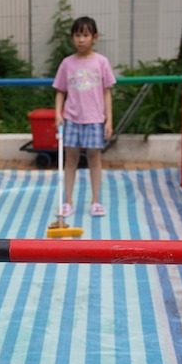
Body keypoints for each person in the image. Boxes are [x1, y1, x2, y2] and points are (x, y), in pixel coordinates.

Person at [53, 16, 115, 217]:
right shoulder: (67, 63)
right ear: (72, 38)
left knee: (94, 160)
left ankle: (96, 201)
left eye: (85, 35)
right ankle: (68, 201)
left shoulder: (101, 62)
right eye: (77, 35)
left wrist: (109, 120)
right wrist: (58, 114)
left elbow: (107, 92)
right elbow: (60, 91)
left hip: (95, 119)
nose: (81, 39)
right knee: (70, 160)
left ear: (94, 37)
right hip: (72, 119)